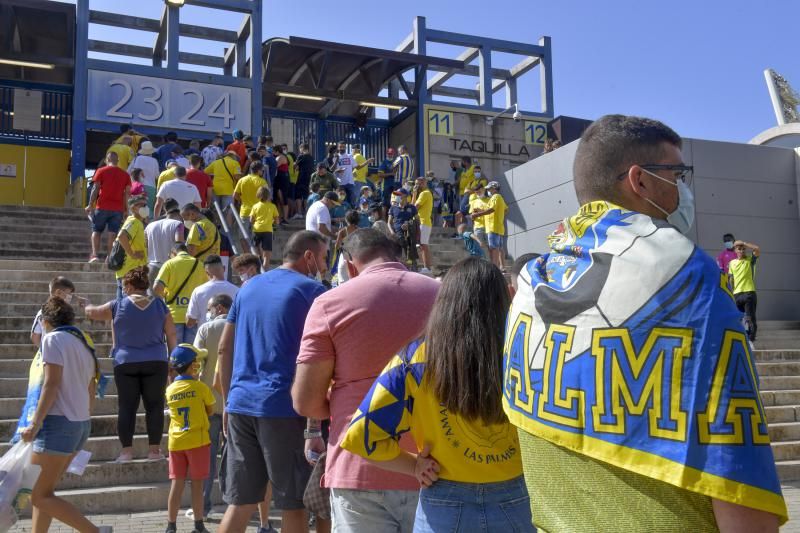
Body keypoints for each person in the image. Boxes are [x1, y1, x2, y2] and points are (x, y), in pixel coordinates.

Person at [502, 114, 786, 531]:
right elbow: (735, 473)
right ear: (639, 180)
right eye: (678, 174)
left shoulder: (530, 288)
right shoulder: (686, 277)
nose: (684, 189)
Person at [341, 257, 533, 532]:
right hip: (517, 497)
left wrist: (414, 467)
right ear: (505, 298)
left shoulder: (416, 359)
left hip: (443, 499)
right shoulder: (525, 354)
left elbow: (362, 438)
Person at [293, 229, 440, 532]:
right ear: (398, 256)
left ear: (349, 265)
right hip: (436, 464)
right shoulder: (443, 294)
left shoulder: (329, 303)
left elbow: (306, 400)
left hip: (358, 465)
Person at [217, 231, 330, 533]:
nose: (324, 264)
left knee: (239, 503)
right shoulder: (313, 291)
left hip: (241, 404)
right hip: (284, 408)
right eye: (323, 257)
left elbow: (223, 349)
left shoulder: (248, 288)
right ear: (308, 257)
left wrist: (227, 402)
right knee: (294, 505)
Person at [20, 297, 111, 533]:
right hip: (79, 424)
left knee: (38, 496)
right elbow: (92, 388)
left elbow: (51, 384)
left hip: (58, 424)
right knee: (46, 492)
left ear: (46, 321)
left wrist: (35, 423)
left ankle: (95, 532)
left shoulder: (52, 340)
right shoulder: (83, 342)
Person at [85, 266, 175, 463]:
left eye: (125, 285)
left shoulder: (117, 305)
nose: (124, 289)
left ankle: (126, 452)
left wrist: (87, 304)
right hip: (156, 360)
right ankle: (154, 451)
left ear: (131, 285)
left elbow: (92, 313)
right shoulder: (160, 305)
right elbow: (171, 334)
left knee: (127, 407)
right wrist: (172, 360)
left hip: (126, 362)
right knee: (155, 406)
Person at [165, 344, 215, 533]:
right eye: (195, 362)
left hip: (176, 442)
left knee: (176, 483)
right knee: (197, 484)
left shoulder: (170, 390)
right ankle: (198, 525)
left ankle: (171, 525)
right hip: (198, 441)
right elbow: (210, 410)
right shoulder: (200, 387)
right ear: (191, 365)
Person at [192, 293, 233, 519]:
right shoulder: (240, 326)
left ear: (218, 308)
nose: (208, 311)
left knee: (206, 459)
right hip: (233, 403)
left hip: (209, 403)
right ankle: (233, 505)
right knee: (232, 457)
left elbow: (196, 361)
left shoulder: (206, 329)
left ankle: (204, 507)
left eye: (209, 308)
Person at [154, 243, 209, 344]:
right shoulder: (200, 264)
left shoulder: (169, 264)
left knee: (175, 353)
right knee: (191, 353)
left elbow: (156, 287)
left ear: (173, 253)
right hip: (193, 315)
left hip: (173, 315)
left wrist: (164, 297)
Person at [86, 151, 131, 262]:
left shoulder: (101, 171)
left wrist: (90, 204)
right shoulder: (125, 175)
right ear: (118, 161)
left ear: (107, 160)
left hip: (102, 206)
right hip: (118, 209)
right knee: (112, 233)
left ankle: (95, 255)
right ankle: (109, 257)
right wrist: (126, 210)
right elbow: (127, 194)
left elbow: (95, 189)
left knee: (96, 231)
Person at [30, 277, 87, 348]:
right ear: (58, 292)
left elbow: (34, 336)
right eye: (69, 294)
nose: (70, 298)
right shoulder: (44, 314)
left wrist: (43, 351)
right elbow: (34, 336)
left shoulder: (42, 312)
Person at [186, 255, 239, 329]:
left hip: (206, 335)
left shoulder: (198, 291)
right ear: (224, 268)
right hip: (230, 334)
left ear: (206, 273)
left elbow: (190, 321)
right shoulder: (237, 290)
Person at [113, 194, 150, 300]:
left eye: (145, 205)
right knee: (129, 306)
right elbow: (121, 236)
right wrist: (132, 254)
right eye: (141, 205)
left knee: (122, 307)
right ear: (133, 208)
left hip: (129, 272)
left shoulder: (136, 222)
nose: (145, 207)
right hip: (131, 272)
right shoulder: (134, 221)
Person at [145, 198, 185, 283]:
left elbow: (145, 246)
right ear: (179, 213)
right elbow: (179, 245)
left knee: (152, 296)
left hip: (151, 267)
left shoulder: (150, 225)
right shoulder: (178, 225)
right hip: (170, 267)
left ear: (165, 211)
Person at [471, 181, 508, 269]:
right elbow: (504, 209)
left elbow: (491, 210)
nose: (488, 190)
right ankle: (500, 267)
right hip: (497, 226)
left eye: (489, 188)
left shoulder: (496, 196)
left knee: (493, 248)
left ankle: (495, 267)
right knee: (498, 248)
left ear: (494, 188)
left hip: (493, 226)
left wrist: (477, 214)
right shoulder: (497, 198)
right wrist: (480, 211)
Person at [729, 239, 761, 342]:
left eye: (743, 249)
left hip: (749, 293)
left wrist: (745, 243)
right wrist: (731, 292)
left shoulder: (751, 260)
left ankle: (751, 339)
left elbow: (756, 249)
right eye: (739, 248)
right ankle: (741, 339)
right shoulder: (732, 263)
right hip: (737, 294)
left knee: (750, 318)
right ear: (735, 250)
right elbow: (731, 279)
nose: (742, 250)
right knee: (738, 319)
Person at [250, 186, 281, 270]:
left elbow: (251, 219)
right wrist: (275, 224)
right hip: (268, 230)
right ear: (268, 195)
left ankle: (258, 260)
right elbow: (277, 220)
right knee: (267, 253)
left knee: (256, 247)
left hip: (257, 229)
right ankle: (265, 269)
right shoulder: (272, 206)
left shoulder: (255, 206)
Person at [233, 161, 267, 234]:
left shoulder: (242, 180)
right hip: (258, 212)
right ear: (258, 170)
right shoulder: (262, 182)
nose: (263, 171)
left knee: (243, 236)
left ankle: (247, 246)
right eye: (262, 170)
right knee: (256, 237)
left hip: (244, 211)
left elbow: (235, 195)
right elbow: (267, 197)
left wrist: (241, 200)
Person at [387, 188, 418, 269]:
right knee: (397, 255)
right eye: (396, 195)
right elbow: (389, 222)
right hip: (397, 236)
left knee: (410, 256)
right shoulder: (393, 208)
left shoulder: (412, 207)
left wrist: (409, 224)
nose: (396, 196)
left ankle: (412, 268)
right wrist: (392, 232)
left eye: (399, 194)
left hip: (409, 236)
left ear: (405, 196)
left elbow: (417, 221)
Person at [128, 140, 160, 212]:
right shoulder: (155, 161)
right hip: (151, 187)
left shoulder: (138, 158)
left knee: (136, 209)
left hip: (138, 186)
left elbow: (131, 172)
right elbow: (157, 176)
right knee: (149, 210)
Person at [412, 176, 434, 273]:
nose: (417, 186)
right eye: (416, 184)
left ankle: (427, 268)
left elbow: (413, 208)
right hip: (423, 222)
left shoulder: (424, 193)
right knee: (422, 246)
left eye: (419, 183)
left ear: (424, 183)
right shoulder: (423, 193)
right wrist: (414, 194)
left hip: (423, 222)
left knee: (423, 246)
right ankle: (427, 267)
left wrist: (415, 194)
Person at [334, 210, 361, 285]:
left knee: (342, 283)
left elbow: (337, 246)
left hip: (344, 258)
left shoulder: (343, 231)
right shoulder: (360, 230)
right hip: (356, 259)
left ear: (346, 219)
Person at [294, 143, 316, 217]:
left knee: (299, 195)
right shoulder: (311, 157)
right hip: (309, 178)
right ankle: (307, 212)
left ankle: (299, 213)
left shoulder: (301, 156)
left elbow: (295, 166)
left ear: (302, 149)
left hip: (301, 177)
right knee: (306, 195)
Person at [273, 145, 291, 225]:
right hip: (279, 179)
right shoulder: (280, 157)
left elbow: (275, 166)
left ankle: (285, 218)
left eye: (274, 151)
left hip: (283, 179)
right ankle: (280, 218)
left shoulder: (281, 157)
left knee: (283, 199)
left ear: (277, 151)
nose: (273, 153)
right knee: (279, 199)